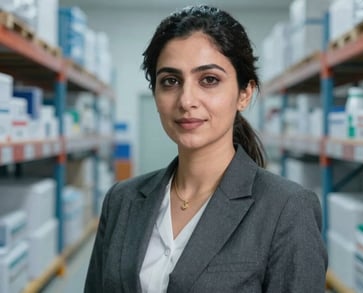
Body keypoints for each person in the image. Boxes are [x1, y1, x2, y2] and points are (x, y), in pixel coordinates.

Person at [84, 5, 327, 293]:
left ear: (244, 94)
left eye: (209, 80)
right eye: (170, 81)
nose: (186, 100)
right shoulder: (121, 201)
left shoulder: (286, 209)